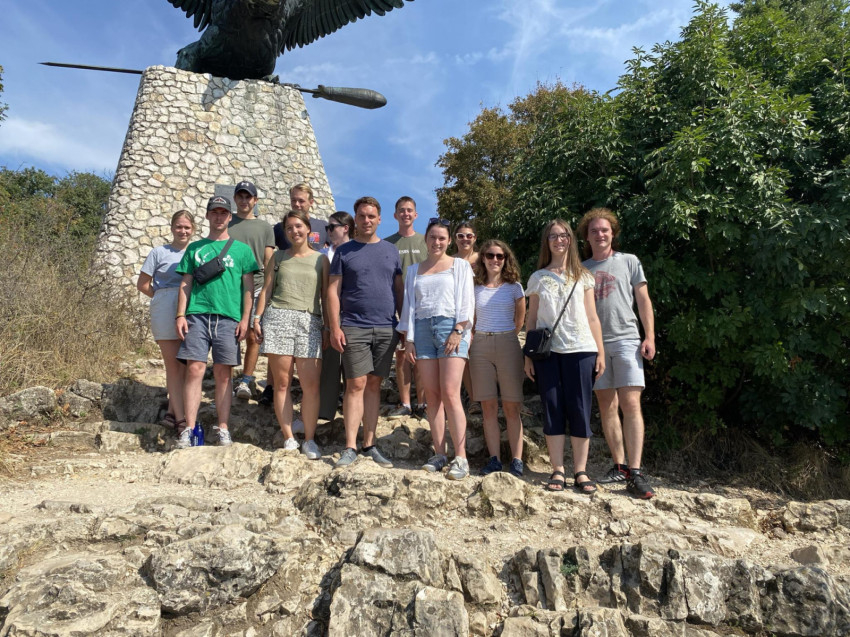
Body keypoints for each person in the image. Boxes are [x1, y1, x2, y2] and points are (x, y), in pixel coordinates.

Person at [578, 207, 656, 499]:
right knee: (606, 405)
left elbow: (643, 299)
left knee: (631, 403)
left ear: (613, 233)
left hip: (626, 339)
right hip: (593, 344)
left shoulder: (629, 261)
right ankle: (620, 466)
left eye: (605, 230)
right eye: (594, 231)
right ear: (587, 236)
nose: (600, 234)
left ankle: (636, 470)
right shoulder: (581, 269)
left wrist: (649, 336)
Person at [524, 219, 605, 494]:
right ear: (546, 242)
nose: (559, 240)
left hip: (581, 349)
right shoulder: (538, 277)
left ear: (570, 240)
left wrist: (600, 352)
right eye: (553, 236)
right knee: (553, 408)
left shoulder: (584, 276)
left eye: (564, 235)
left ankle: (581, 471)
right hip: (548, 353)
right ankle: (557, 469)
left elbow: (592, 317)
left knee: (580, 409)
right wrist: (528, 357)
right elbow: (532, 319)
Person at [174, 195, 259, 448]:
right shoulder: (194, 248)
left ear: (230, 217)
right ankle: (189, 429)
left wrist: (245, 319)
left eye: (223, 213)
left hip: (228, 317)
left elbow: (248, 288)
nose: (219, 217)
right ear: (207, 215)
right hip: (197, 314)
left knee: (224, 374)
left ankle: (223, 428)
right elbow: (185, 283)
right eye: (215, 212)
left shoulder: (242, 250)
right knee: (194, 370)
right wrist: (180, 314)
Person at [328, 196, 402, 468]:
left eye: (371, 216)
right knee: (355, 384)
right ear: (354, 220)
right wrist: (334, 327)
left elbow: (398, 290)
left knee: (373, 384)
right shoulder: (344, 252)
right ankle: (350, 446)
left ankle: (369, 444)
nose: (367, 220)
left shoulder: (391, 251)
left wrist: (404, 325)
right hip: (354, 326)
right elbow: (333, 291)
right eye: (362, 216)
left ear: (379, 219)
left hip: (386, 327)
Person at [398, 218, 474, 480]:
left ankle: (461, 458)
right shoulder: (414, 270)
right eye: (433, 237)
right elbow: (409, 305)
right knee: (432, 396)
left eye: (442, 238)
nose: (437, 242)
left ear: (449, 241)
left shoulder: (460, 266)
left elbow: (467, 301)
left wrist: (458, 330)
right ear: (426, 239)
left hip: (451, 327)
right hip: (421, 330)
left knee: (451, 393)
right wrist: (408, 339)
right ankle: (439, 453)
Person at [253, 210, 329, 459]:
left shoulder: (321, 260)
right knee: (282, 383)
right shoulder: (278, 257)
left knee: (311, 386)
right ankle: (288, 437)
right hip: (278, 318)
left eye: (298, 226)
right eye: (289, 228)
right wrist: (257, 318)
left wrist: (328, 327)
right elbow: (266, 289)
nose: (294, 231)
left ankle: (309, 439)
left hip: (310, 321)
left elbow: (326, 296)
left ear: (308, 229)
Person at [260, 182, 328, 408]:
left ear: (311, 202)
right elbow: (271, 261)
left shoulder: (323, 227)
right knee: (279, 355)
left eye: (301, 200)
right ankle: (270, 387)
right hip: (283, 300)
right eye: (294, 200)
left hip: (310, 301)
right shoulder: (279, 228)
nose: (297, 204)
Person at [470, 240, 526, 477]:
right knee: (488, 407)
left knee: (512, 406)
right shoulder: (474, 287)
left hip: (507, 343)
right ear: (482, 258)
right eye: (490, 255)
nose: (495, 260)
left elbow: (520, 320)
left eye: (500, 256)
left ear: (506, 259)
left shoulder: (515, 288)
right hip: (480, 345)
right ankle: (494, 459)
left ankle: (517, 460)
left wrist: (506, 337)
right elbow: (471, 319)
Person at [137, 210, 196, 431]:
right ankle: (180, 419)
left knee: (187, 365)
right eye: (179, 226)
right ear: (172, 228)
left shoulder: (197, 252)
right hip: (165, 308)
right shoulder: (158, 252)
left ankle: (173, 412)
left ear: (193, 229)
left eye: (187, 227)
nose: (183, 231)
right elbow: (143, 284)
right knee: (173, 366)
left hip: (191, 309)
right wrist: (163, 297)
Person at [228, 180, 275, 400]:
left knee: (253, 336)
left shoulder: (265, 228)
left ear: (255, 200)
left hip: (255, 286)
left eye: (248, 197)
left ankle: (246, 380)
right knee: (228, 335)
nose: (244, 200)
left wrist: (268, 288)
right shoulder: (226, 222)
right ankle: (226, 379)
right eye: (241, 196)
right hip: (229, 286)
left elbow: (268, 260)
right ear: (235, 198)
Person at [385, 196, 427, 419]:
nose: (406, 214)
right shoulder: (387, 244)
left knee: (421, 356)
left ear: (415, 214)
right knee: (402, 355)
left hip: (422, 306)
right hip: (396, 305)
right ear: (395, 215)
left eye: (409, 210)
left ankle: (423, 403)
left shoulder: (426, 241)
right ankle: (405, 403)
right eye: (401, 210)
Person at [318, 211, 354, 422]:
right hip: (330, 317)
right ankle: (324, 415)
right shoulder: (323, 254)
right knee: (329, 369)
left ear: (345, 228)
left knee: (353, 371)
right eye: (327, 228)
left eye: (332, 227)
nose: (329, 231)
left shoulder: (356, 250)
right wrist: (327, 324)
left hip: (352, 318)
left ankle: (352, 418)